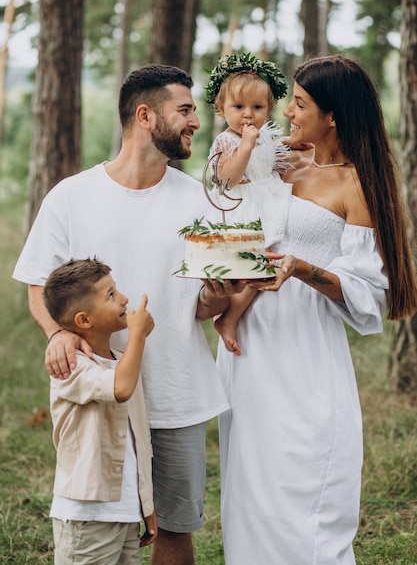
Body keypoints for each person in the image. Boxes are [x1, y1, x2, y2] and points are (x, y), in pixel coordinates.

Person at [12, 64, 244, 565]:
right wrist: (57, 333)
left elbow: (204, 306)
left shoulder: (200, 201)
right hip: (99, 403)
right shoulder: (71, 197)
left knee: (175, 532)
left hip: (177, 393)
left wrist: (218, 297)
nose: (195, 122)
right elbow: (38, 283)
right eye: (184, 110)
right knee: (99, 534)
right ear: (145, 115)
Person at [216, 55, 417, 564]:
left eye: (300, 104)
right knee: (249, 486)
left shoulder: (356, 184)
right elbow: (225, 192)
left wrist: (304, 269)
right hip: (247, 346)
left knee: (300, 486)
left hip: (304, 350)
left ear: (333, 115)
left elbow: (372, 294)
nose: (287, 112)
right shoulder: (277, 156)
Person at [43, 257, 156, 564]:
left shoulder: (123, 362)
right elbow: (119, 389)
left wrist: (146, 506)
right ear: (84, 320)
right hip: (87, 520)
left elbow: (137, 443)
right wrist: (138, 336)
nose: (124, 299)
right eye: (110, 295)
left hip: (126, 514)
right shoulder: (72, 368)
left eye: (116, 289)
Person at [205, 52, 293, 355]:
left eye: (257, 107)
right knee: (255, 266)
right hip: (244, 209)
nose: (248, 114)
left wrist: (289, 145)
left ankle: (233, 317)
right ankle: (227, 318)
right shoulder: (227, 141)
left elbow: (269, 155)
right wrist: (245, 145)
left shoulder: (263, 135)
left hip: (268, 200)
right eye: (238, 107)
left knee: (269, 262)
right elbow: (228, 178)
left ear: (268, 109)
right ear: (222, 108)